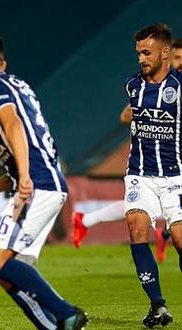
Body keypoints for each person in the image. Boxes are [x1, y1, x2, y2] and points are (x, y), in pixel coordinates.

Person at [0, 33, 87, 330]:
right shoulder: (20, 85)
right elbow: (29, 143)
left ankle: (66, 313)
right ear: (2, 63)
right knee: (7, 270)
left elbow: (13, 123)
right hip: (48, 181)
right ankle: (55, 326)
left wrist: (25, 178)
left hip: (37, 185)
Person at [73, 40, 182, 259]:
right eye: (178, 58)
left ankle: (86, 220)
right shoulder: (156, 88)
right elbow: (125, 116)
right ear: (167, 57)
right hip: (156, 160)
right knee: (142, 204)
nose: (180, 63)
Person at [122, 23, 182, 328]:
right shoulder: (133, 86)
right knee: (136, 226)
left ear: (165, 53)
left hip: (177, 176)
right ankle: (158, 305)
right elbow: (127, 117)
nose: (141, 58)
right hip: (140, 174)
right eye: (138, 53)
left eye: (147, 53)